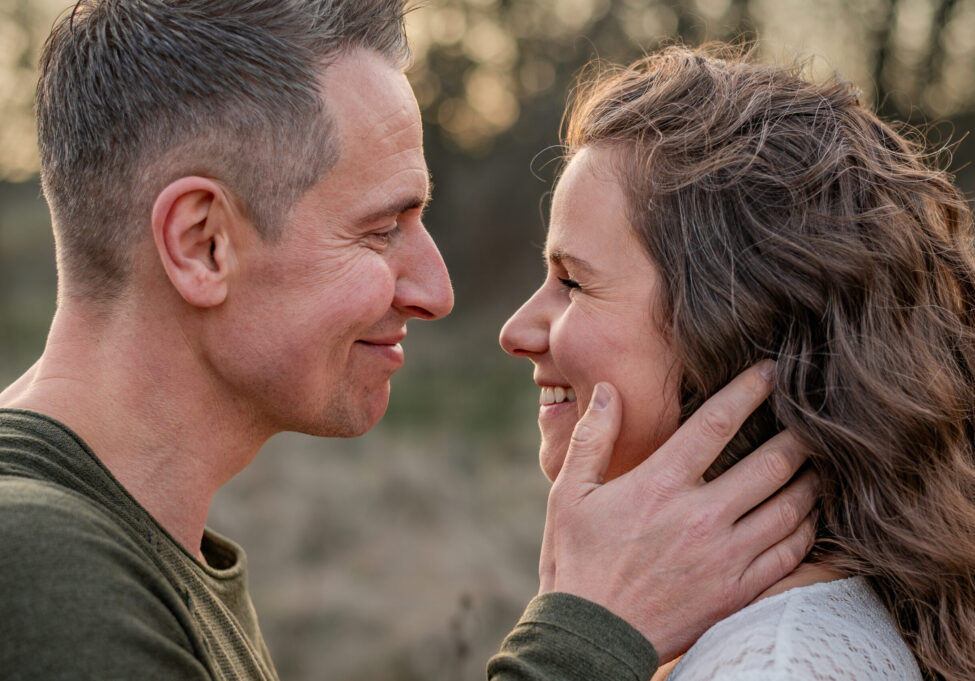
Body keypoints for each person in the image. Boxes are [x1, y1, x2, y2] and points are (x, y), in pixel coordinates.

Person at [0, 4, 819, 680]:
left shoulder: (130, 554)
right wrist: (591, 635)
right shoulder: (42, 569)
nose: (436, 290)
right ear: (203, 243)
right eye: (381, 229)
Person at [500, 43, 975, 681]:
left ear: (735, 329)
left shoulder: (775, 665)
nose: (515, 331)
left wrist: (575, 643)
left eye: (573, 282)